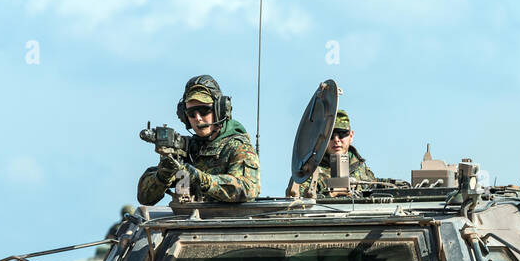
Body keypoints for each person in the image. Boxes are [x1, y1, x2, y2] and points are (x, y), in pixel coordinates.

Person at [137, 75, 260, 204]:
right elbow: (145, 198)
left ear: (220, 109)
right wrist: (163, 175)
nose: (198, 118)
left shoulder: (238, 147)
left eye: (204, 110)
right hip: (190, 221)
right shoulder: (189, 149)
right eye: (191, 113)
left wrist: (201, 179)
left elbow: (247, 189)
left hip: (226, 222)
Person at [288, 109, 375, 197]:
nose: (336, 140)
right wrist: (331, 194)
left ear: (351, 136)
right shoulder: (310, 172)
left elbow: (375, 185)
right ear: (323, 139)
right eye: (331, 136)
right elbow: (298, 201)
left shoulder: (360, 168)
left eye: (342, 134)